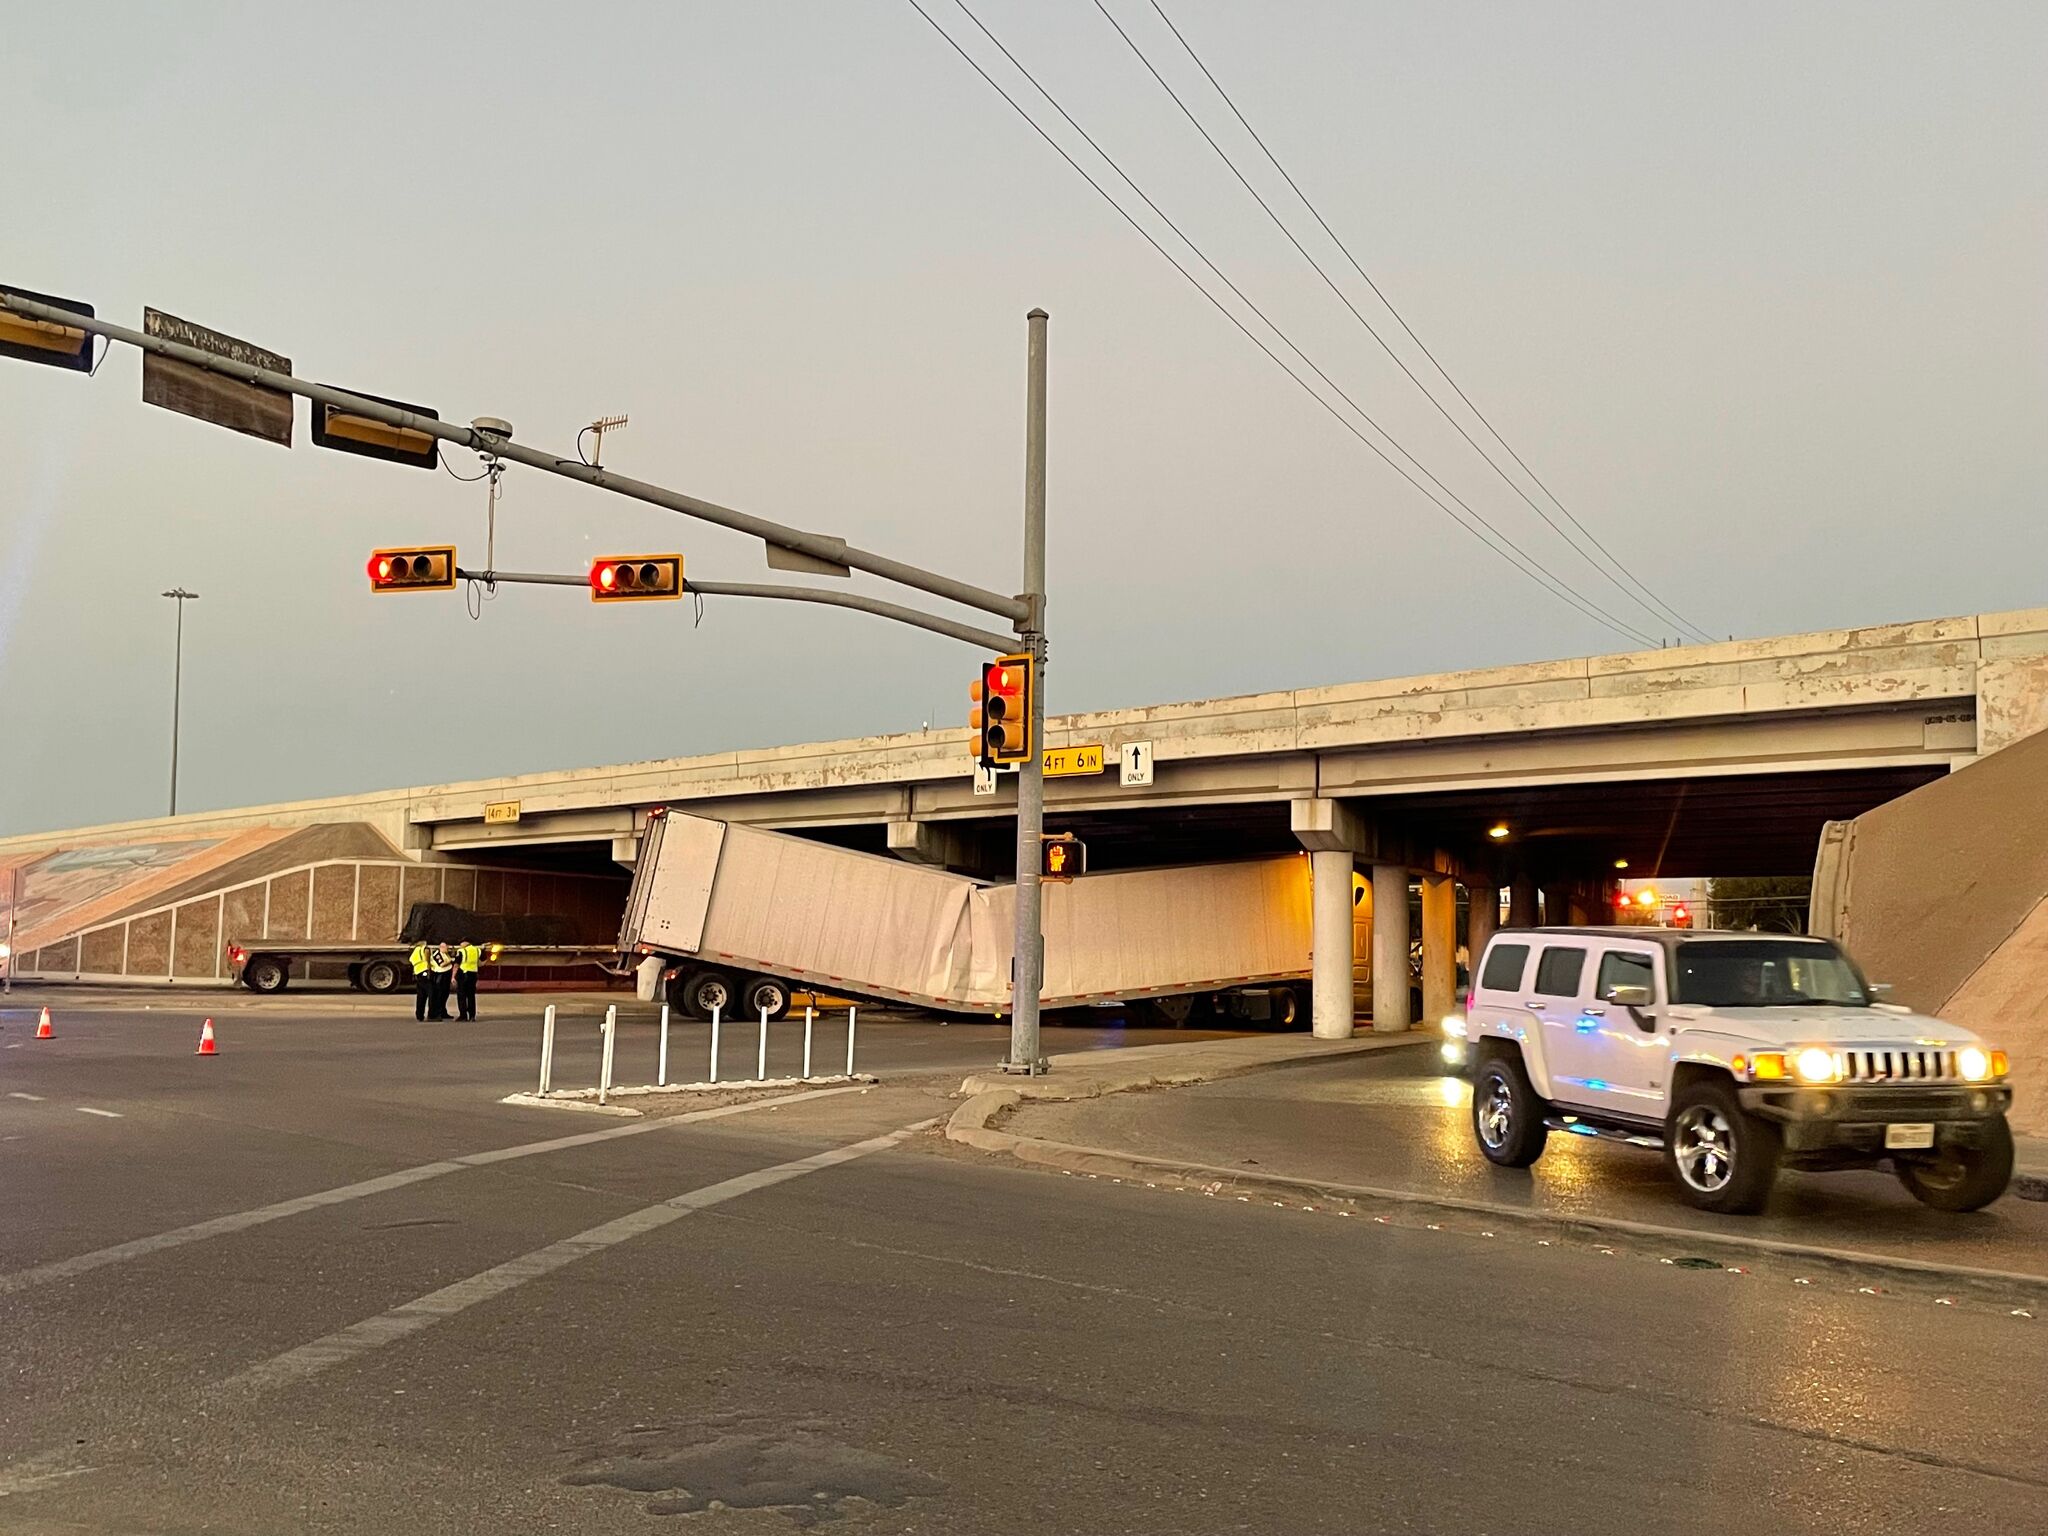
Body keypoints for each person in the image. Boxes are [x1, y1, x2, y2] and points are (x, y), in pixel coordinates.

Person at [455, 937, 483, 1021]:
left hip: (463, 974)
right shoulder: (477, 950)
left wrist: (453, 976)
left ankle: (463, 1015)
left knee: (462, 995)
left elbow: (457, 964)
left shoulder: (461, 951)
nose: (460, 945)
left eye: (461, 943)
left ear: (465, 943)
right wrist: (478, 965)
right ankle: (472, 1016)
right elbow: (483, 960)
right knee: (471, 995)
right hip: (473, 974)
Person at [429, 941, 456, 1021]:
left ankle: (443, 1012)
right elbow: (442, 964)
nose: (447, 949)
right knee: (439, 995)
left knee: (445, 994)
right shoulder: (436, 954)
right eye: (445, 947)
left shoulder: (446, 954)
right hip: (440, 976)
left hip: (446, 975)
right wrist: (451, 960)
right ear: (441, 947)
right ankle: (438, 1013)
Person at [410, 939, 433, 1022]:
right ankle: (431, 1014)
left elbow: (412, 961)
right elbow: (427, 960)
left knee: (420, 995)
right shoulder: (425, 949)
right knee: (431, 994)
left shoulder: (416, 951)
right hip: (425, 971)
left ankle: (419, 1015)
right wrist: (429, 969)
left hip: (418, 972)